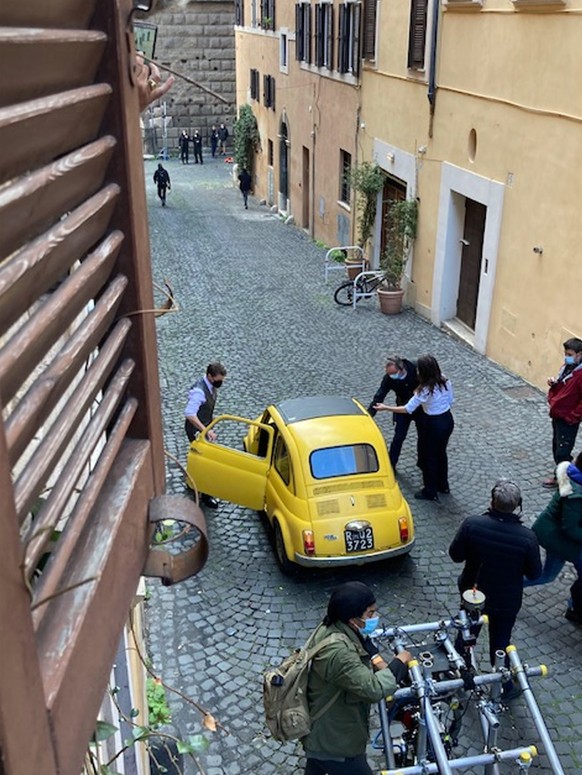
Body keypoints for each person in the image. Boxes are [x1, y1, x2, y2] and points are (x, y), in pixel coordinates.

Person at [303, 581, 411, 775]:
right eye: (370, 614)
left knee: (317, 766)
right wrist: (400, 662)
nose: (375, 617)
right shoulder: (339, 654)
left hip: (323, 733)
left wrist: (377, 660)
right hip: (336, 745)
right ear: (353, 620)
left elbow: (362, 647)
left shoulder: (334, 627)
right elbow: (374, 689)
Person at [449, 480, 541, 666]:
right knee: (501, 641)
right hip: (506, 599)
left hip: (473, 593)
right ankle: (502, 683)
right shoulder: (527, 538)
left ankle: (456, 669)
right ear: (517, 505)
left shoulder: (472, 524)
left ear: (492, 501)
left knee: (467, 633)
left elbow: (456, 555)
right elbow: (534, 574)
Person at [374, 354, 454, 501]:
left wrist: (386, 408)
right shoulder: (444, 380)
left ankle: (430, 491)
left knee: (429, 456)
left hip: (433, 423)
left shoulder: (423, 390)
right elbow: (450, 399)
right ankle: (443, 485)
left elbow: (407, 409)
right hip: (447, 420)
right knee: (441, 453)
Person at [527, 451, 582, 624]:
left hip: (559, 536)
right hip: (557, 539)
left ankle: (576, 606)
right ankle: (506, 586)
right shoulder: (576, 494)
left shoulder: (575, 481)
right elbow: (570, 528)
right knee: (546, 576)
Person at [184, 362, 227, 508]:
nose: (220, 383)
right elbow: (190, 414)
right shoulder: (199, 391)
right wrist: (205, 430)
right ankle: (206, 496)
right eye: (218, 380)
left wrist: (211, 419)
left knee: (200, 457)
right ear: (210, 376)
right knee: (206, 461)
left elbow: (204, 408)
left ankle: (191, 481)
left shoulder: (210, 386)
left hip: (202, 427)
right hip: (196, 430)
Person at [367, 355, 421, 469]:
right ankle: (391, 464)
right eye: (389, 374)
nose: (391, 376)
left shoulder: (415, 368)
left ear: (401, 369)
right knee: (398, 437)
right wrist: (369, 415)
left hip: (419, 408)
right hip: (401, 408)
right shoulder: (389, 378)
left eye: (393, 373)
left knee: (423, 436)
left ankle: (422, 462)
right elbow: (379, 395)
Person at [543, 337, 582, 489]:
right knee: (557, 446)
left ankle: (563, 479)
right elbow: (564, 385)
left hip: (568, 418)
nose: (567, 357)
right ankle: (560, 475)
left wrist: (572, 416)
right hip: (559, 414)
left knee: (563, 451)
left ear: (579, 354)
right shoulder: (568, 367)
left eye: (570, 354)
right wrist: (554, 383)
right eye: (566, 353)